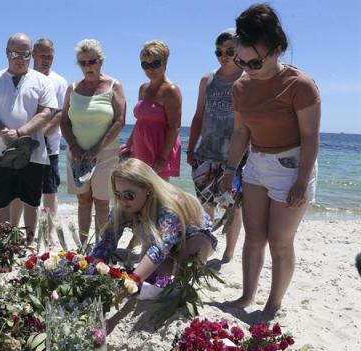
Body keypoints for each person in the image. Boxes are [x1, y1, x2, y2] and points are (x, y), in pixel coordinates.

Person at [220, 4, 320, 317]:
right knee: (254, 237)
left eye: (254, 62)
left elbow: (310, 138)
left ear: (277, 50)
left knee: (279, 241)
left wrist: (302, 181)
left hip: (292, 167)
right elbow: (240, 133)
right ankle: (246, 296)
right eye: (240, 60)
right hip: (256, 166)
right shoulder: (241, 87)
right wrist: (229, 168)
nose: (247, 68)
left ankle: (273, 303)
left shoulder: (300, 85)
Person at [0, 33, 58, 243]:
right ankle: (4, 243)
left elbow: (46, 113)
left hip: (34, 152)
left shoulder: (42, 81)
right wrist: (4, 132)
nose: (20, 58)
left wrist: (20, 133)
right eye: (15, 53)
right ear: (7, 53)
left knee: (31, 200)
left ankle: (30, 241)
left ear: (31, 55)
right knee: (2, 200)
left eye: (25, 54)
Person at [91, 159, 217, 284]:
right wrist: (98, 263)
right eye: (118, 195)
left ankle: (183, 275)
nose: (123, 200)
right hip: (163, 244)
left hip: (194, 239)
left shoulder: (169, 208)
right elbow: (108, 240)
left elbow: (160, 248)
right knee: (154, 279)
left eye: (129, 195)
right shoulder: (123, 208)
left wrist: (133, 280)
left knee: (177, 276)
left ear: (148, 189)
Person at [60, 39, 126, 247]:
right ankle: (83, 246)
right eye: (82, 63)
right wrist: (73, 146)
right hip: (76, 155)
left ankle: (102, 247)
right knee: (83, 201)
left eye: (92, 61)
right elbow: (64, 121)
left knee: (103, 202)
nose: (87, 67)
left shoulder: (114, 86)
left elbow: (120, 120)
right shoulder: (72, 88)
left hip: (106, 154)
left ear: (101, 61)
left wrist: (99, 147)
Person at [187, 29, 244, 265]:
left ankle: (229, 254)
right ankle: (205, 249)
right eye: (219, 51)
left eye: (229, 51)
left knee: (233, 208)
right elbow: (198, 116)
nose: (224, 56)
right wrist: (190, 149)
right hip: (206, 153)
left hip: (236, 158)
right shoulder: (207, 80)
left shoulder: (247, 78)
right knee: (206, 206)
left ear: (239, 50)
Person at [12, 38, 69, 245]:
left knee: (50, 189)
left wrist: (40, 132)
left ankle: (51, 230)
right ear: (33, 55)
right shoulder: (24, 77)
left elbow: (60, 113)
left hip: (49, 145)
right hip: (23, 144)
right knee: (19, 189)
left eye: (50, 56)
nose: (46, 60)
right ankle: (15, 229)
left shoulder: (60, 81)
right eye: (43, 56)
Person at [125, 40, 181, 181]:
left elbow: (175, 127)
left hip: (159, 146)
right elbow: (139, 121)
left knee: (158, 194)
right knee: (139, 191)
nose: (150, 69)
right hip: (140, 143)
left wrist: (162, 158)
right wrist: (128, 145)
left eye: (155, 64)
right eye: (145, 65)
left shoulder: (171, 90)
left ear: (165, 62)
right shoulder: (143, 88)